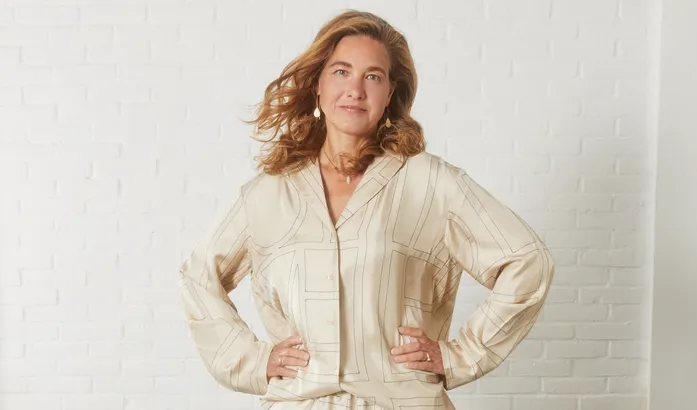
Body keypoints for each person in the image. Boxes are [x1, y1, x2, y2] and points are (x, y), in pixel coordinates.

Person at [178, 10, 555, 410]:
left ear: (390, 93)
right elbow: (199, 277)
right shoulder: (268, 194)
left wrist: (459, 356)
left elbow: (527, 261)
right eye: (341, 72)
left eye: (372, 76)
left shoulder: (431, 183)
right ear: (318, 84)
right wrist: (254, 362)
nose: (355, 89)